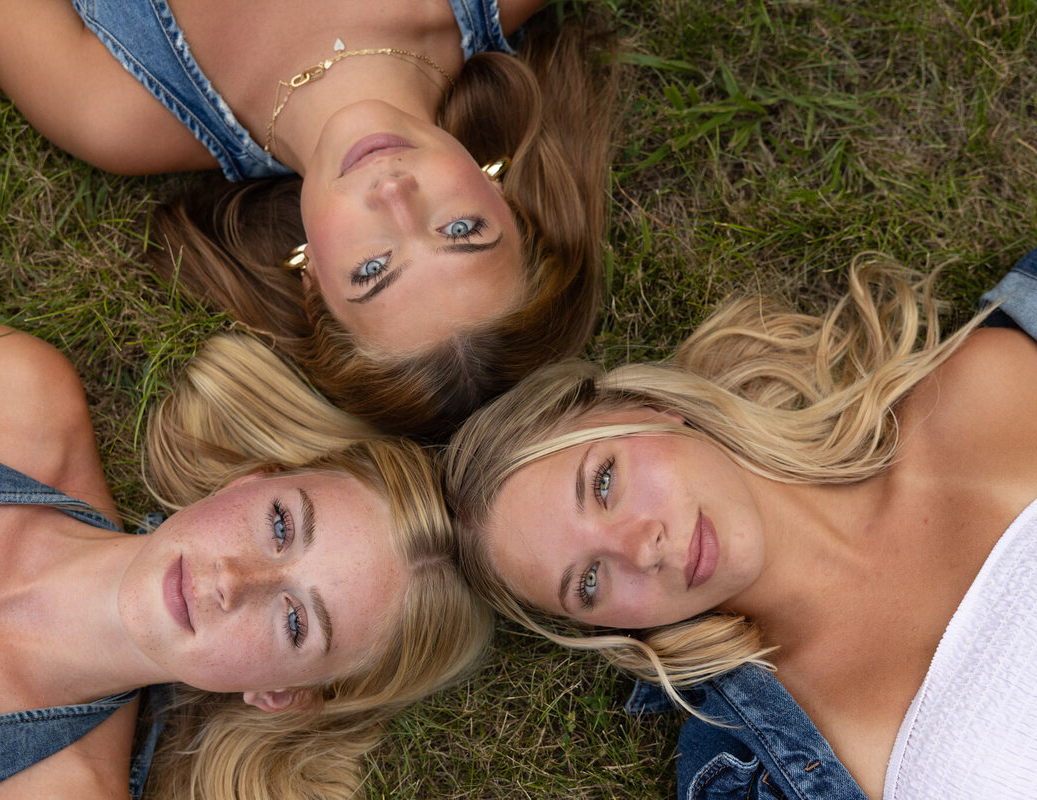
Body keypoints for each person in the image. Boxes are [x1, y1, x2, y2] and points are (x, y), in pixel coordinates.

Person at [0, 285, 491, 800]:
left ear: (280, 695)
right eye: (281, 526)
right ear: (252, 479)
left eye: (295, 622)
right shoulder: (15, 398)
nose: (234, 582)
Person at [442, 252, 1037, 800]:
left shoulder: (986, 384)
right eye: (589, 581)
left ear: (648, 410)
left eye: (603, 483)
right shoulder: (752, 773)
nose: (641, 550)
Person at [0, 0, 618, 439]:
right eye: (461, 232)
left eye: (373, 269)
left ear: (311, 279)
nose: (395, 197)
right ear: (504, 197)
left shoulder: (113, 112)